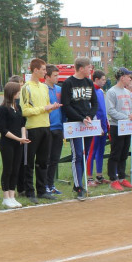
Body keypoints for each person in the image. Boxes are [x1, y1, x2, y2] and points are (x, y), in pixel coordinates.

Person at [19, 58, 61, 203]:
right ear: (35, 70)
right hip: (32, 128)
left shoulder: (44, 87)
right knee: (29, 162)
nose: (45, 72)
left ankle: (42, 190)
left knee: (43, 161)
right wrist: (44, 108)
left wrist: (51, 107)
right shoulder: (26, 87)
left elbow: (46, 106)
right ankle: (30, 192)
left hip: (46, 127)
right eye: (43, 69)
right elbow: (25, 111)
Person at [60, 57, 98, 201]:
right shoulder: (68, 83)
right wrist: (80, 118)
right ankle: (78, 186)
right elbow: (66, 105)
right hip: (75, 124)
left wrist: (89, 116)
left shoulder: (89, 82)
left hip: (87, 124)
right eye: (89, 67)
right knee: (77, 155)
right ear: (81, 68)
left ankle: (79, 184)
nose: (91, 70)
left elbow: (94, 102)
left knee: (85, 153)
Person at [0, 81, 30, 208]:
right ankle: (6, 197)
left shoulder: (18, 107)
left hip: (18, 143)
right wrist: (17, 139)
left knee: (16, 169)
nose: (19, 93)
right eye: (17, 91)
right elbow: (3, 129)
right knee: (8, 169)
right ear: (11, 93)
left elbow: (22, 123)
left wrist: (23, 137)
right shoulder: (3, 109)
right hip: (7, 143)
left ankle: (12, 195)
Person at [106, 67, 132, 191]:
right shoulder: (111, 92)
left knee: (124, 153)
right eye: (128, 76)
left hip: (127, 127)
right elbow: (110, 110)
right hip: (116, 126)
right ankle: (113, 178)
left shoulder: (128, 92)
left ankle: (122, 177)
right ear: (122, 77)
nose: (130, 79)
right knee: (115, 153)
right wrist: (126, 117)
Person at [45, 66, 65, 196]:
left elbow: (64, 109)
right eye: (55, 76)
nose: (58, 78)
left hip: (59, 128)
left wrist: (64, 126)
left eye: (58, 75)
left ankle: (51, 184)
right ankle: (44, 185)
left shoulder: (59, 90)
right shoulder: (42, 90)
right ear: (47, 76)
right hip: (47, 128)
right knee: (45, 159)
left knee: (55, 159)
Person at [86, 70, 108, 185]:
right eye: (103, 79)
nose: (104, 81)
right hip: (95, 126)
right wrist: (96, 126)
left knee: (101, 151)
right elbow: (92, 109)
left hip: (103, 125)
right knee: (92, 151)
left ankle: (99, 176)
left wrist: (105, 124)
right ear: (96, 79)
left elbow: (104, 110)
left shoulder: (101, 91)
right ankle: (89, 177)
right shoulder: (91, 92)